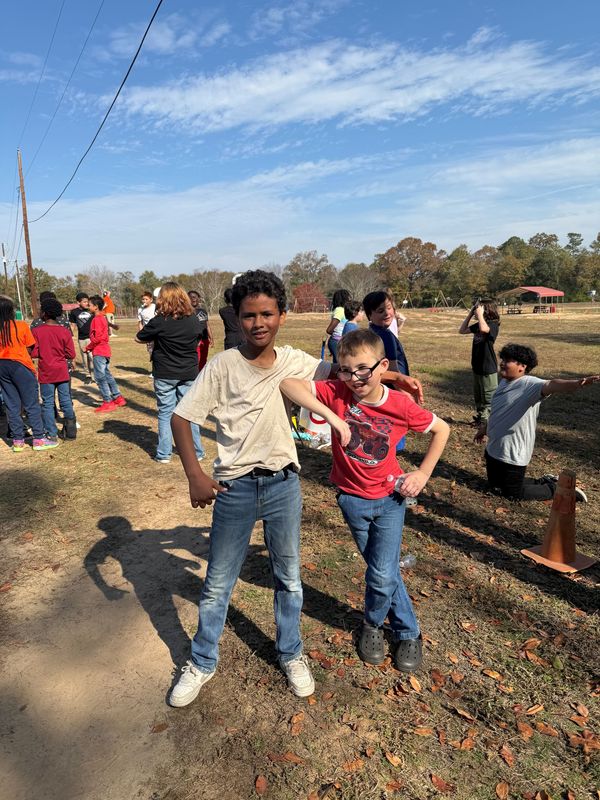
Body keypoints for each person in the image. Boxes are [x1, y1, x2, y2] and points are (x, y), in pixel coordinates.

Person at [167, 270, 424, 707]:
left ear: (282, 315)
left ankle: (291, 653)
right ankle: (202, 661)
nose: (258, 323)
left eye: (267, 313)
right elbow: (180, 417)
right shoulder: (224, 365)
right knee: (217, 583)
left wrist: (394, 378)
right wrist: (195, 474)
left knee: (289, 579)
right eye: (249, 315)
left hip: (284, 483)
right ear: (237, 317)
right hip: (234, 488)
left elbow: (350, 373)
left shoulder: (295, 360)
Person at [280, 329, 449, 673]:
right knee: (382, 571)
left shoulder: (400, 405)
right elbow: (288, 384)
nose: (354, 378)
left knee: (382, 572)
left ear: (382, 366)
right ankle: (405, 628)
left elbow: (441, 429)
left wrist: (423, 473)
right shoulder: (338, 391)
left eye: (362, 370)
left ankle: (382, 627)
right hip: (351, 502)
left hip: (390, 500)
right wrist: (332, 417)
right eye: (345, 369)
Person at [475, 343, 599, 501]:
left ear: (522, 366)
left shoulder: (530, 385)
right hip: (494, 449)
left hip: (513, 452)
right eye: (503, 359)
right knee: (494, 486)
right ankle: (546, 481)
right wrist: (484, 429)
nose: (502, 363)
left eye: (508, 360)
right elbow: (499, 412)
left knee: (512, 493)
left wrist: (577, 383)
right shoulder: (505, 382)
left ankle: (558, 489)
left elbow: (551, 384)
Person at [135, 282, 204, 464]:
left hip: (165, 373)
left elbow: (139, 337)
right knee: (189, 413)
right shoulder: (194, 319)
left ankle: (164, 454)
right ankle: (197, 451)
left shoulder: (159, 321)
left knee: (166, 413)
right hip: (188, 371)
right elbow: (199, 337)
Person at [0, 295, 59, 451]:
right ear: (10, 311)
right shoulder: (21, 325)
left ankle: (18, 441)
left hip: (2, 366)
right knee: (31, 403)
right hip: (20, 366)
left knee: (12, 404)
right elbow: (30, 347)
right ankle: (39, 438)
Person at [32, 298, 77, 440]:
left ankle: (51, 433)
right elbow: (71, 354)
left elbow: (34, 353)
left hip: (46, 373)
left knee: (47, 403)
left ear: (44, 313)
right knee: (65, 400)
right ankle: (71, 431)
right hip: (62, 371)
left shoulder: (37, 331)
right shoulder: (64, 331)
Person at [459, 298, 500, 425]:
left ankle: (487, 422)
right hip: (477, 365)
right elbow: (462, 330)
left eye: (478, 309)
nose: (476, 311)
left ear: (486, 311)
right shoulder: (479, 324)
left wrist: (480, 315)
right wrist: (470, 314)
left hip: (488, 367)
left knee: (488, 397)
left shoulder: (493, 325)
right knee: (479, 396)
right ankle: (481, 418)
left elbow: (484, 330)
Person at [86, 296, 126, 413]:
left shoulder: (97, 319)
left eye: (90, 305)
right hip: (105, 351)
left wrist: (88, 347)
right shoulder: (102, 317)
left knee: (100, 377)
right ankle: (118, 398)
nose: (88, 306)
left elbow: (98, 337)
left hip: (99, 351)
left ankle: (107, 402)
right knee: (107, 375)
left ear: (96, 307)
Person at [69, 292, 94, 383]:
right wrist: (70, 335)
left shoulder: (91, 310)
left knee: (91, 356)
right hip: (82, 338)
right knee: (84, 357)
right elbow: (72, 325)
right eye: (84, 302)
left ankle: (93, 375)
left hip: (91, 338)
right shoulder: (74, 312)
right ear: (78, 302)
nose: (86, 303)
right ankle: (87, 375)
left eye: (87, 301)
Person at [188, 290, 212, 371]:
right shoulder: (187, 312)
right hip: (194, 341)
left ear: (199, 298)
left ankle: (201, 376)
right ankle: (195, 377)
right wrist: (195, 339)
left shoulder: (203, 311)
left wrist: (211, 338)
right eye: (191, 297)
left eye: (195, 297)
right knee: (196, 360)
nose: (193, 299)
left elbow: (207, 325)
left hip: (205, 340)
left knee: (203, 359)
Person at [326, 289, 351, 362]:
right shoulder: (339, 310)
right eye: (348, 297)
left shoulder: (342, 310)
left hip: (340, 341)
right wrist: (338, 335)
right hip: (337, 341)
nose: (349, 298)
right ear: (344, 298)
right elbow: (329, 330)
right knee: (340, 365)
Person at [137, 291, 156, 377]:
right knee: (151, 352)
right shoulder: (140, 310)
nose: (144, 300)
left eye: (146, 299)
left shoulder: (155, 307)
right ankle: (154, 370)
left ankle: (157, 371)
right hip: (148, 334)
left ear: (151, 300)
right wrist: (142, 333)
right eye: (143, 299)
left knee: (158, 351)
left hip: (157, 332)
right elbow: (140, 322)